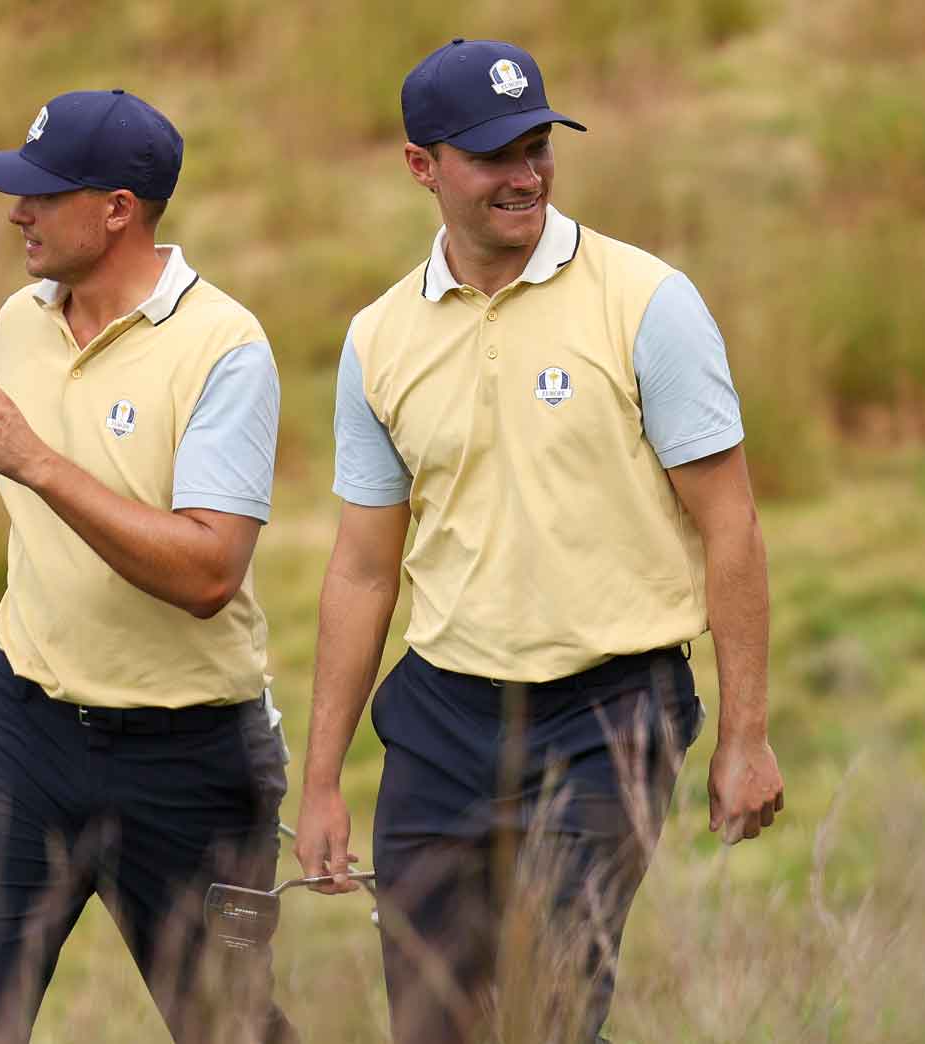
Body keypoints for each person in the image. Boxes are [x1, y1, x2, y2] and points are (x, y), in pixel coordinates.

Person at [293, 38, 787, 1043]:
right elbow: (362, 570)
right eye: (493, 156)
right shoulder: (378, 339)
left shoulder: (647, 303)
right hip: (440, 718)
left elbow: (730, 525)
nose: (525, 176)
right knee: (432, 1023)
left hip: (610, 716)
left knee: (550, 1009)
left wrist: (744, 735)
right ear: (422, 166)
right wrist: (321, 781)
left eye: (537, 147)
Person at [0, 89, 295, 1044]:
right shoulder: (19, 320)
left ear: (119, 208)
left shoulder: (225, 349)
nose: (17, 212)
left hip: (187, 756)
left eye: (43, 195)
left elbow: (209, 573)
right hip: (25, 732)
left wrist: (37, 462)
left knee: (226, 1028)